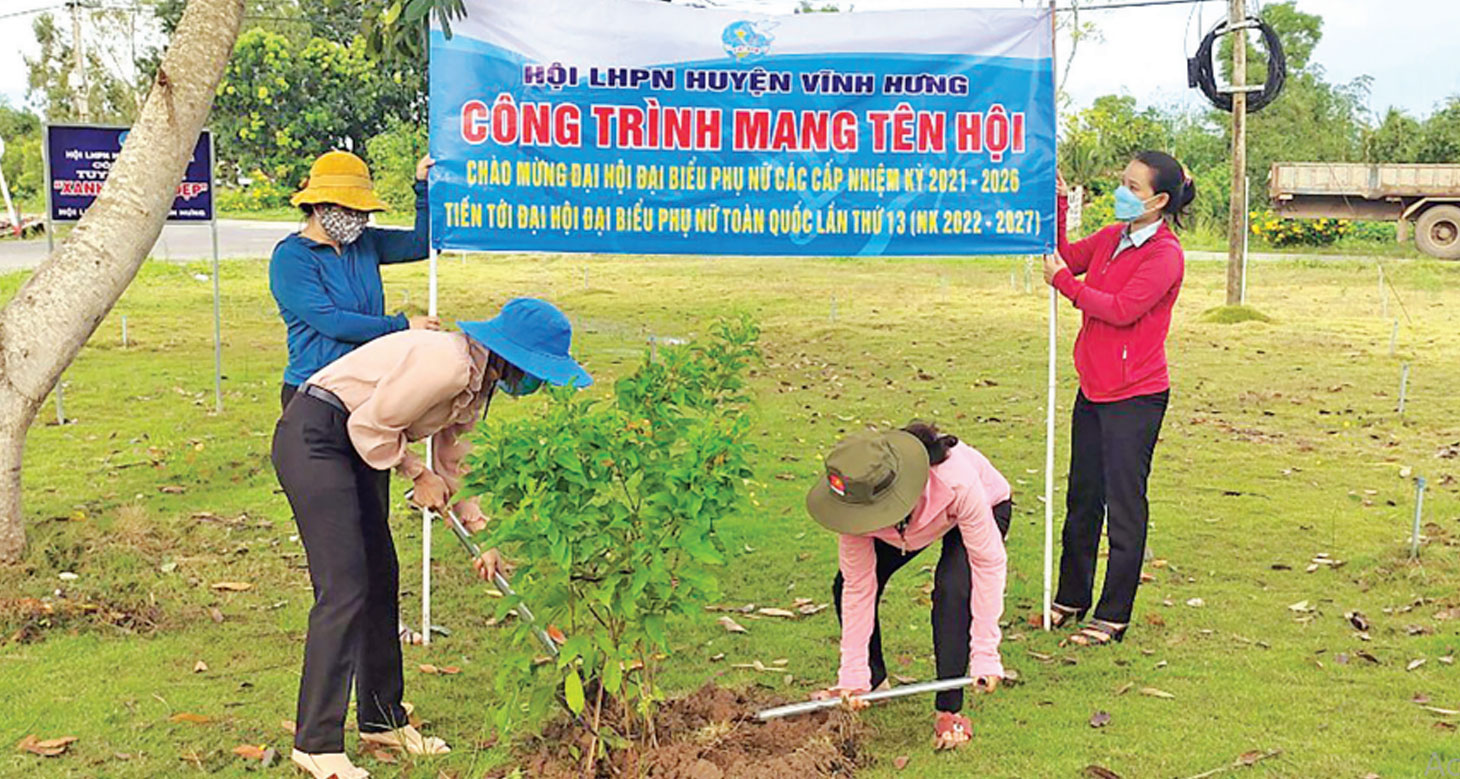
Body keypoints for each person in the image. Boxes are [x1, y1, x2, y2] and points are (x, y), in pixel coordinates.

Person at [272, 298, 591, 779]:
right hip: (317, 436)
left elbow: (454, 464)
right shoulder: (447, 364)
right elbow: (369, 425)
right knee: (344, 585)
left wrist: (483, 532)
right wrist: (416, 473)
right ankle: (316, 744)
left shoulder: (476, 386)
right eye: (537, 369)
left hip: (356, 445)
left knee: (380, 577)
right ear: (513, 356)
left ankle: (382, 719)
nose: (536, 382)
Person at [270, 149, 438, 646]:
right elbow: (329, 321)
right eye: (350, 210)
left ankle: (376, 623)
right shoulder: (292, 259)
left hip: (366, 398)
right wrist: (399, 327)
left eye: (363, 211)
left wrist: (422, 187)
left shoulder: (364, 244)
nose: (359, 219)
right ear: (319, 207)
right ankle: (344, 616)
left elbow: (424, 243)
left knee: (373, 518)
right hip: (312, 401)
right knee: (338, 528)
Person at [1036, 151, 1193, 648]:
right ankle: (1071, 596)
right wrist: (1058, 203)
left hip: (1136, 396)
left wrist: (1063, 285)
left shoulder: (1164, 255)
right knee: (1083, 496)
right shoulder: (1112, 238)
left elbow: (1122, 311)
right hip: (1094, 388)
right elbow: (1064, 253)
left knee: (1124, 505)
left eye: (1133, 186)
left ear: (1160, 200)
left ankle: (1113, 614)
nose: (1122, 192)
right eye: (1122, 182)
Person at [806, 423, 1010, 751]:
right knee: (844, 583)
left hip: (977, 508)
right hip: (901, 527)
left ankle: (949, 710)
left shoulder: (957, 480)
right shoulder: (856, 500)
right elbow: (859, 587)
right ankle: (872, 681)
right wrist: (852, 674)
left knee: (952, 591)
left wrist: (986, 653)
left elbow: (988, 564)